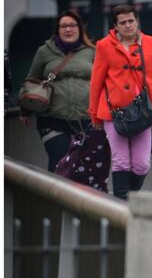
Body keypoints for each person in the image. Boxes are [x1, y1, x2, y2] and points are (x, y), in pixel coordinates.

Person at [88, 4, 152, 200]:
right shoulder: (104, 46)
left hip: (143, 112)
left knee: (142, 164)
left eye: (131, 21)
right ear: (115, 25)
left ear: (137, 21)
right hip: (115, 113)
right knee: (121, 162)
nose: (128, 25)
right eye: (123, 23)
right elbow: (96, 82)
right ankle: (122, 206)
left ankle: (130, 196)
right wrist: (94, 114)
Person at [19, 11, 95, 172]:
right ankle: (53, 197)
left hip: (86, 119)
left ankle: (78, 198)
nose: (68, 29)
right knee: (60, 159)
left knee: (83, 166)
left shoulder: (91, 51)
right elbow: (31, 80)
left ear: (80, 28)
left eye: (72, 25)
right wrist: (24, 111)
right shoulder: (44, 51)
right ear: (57, 30)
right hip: (52, 119)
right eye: (64, 26)